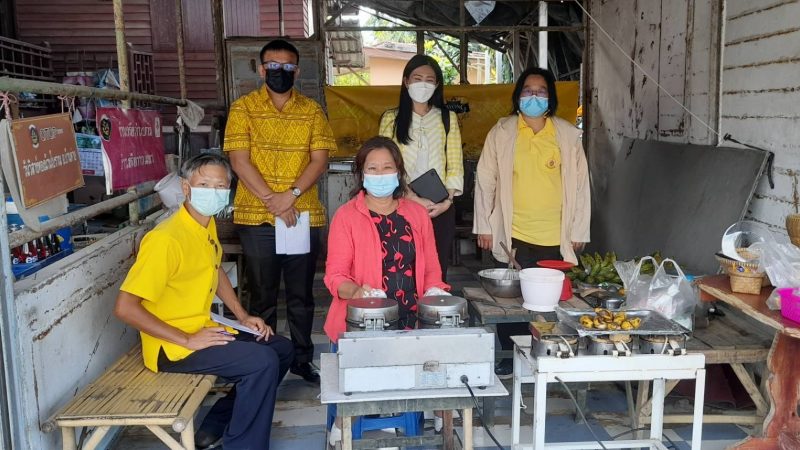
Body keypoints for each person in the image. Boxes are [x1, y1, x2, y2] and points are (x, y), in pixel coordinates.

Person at [114, 153, 294, 450]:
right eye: (204, 184)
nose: (213, 192)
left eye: (220, 186)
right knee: (260, 362)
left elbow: (215, 267)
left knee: (280, 348)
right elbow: (125, 308)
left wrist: (241, 315)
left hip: (203, 329)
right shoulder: (166, 239)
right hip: (172, 347)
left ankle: (215, 426)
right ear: (186, 188)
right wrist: (187, 339)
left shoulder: (203, 224)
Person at [323, 136, 451, 445]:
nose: (380, 174)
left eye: (387, 167)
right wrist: (358, 292)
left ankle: (439, 410)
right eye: (373, 168)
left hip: (412, 319)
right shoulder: (347, 216)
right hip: (361, 323)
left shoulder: (416, 214)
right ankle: (344, 420)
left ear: (399, 172)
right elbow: (335, 276)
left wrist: (436, 291)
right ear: (361, 173)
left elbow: (432, 268)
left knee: (444, 348)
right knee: (359, 372)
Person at [224, 39, 336, 384]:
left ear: (297, 72)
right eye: (273, 66)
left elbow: (319, 160)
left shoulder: (312, 111)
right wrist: (274, 200)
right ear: (262, 70)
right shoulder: (243, 108)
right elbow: (239, 161)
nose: (280, 72)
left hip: (301, 214)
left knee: (301, 295)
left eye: (287, 67)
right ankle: (265, 361)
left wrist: (291, 195)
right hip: (256, 217)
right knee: (263, 295)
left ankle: (302, 359)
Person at [473, 67, 590, 377]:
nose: (534, 96)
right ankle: (511, 358)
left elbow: (581, 186)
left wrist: (579, 228)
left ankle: (549, 355)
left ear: (550, 97)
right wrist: (484, 225)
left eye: (541, 91)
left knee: (550, 303)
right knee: (511, 302)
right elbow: (485, 179)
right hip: (513, 234)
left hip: (554, 236)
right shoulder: (502, 131)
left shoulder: (566, 134)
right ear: (518, 95)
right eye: (528, 90)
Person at [379, 54, 464, 280]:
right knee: (402, 266)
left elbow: (455, 164)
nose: (423, 84)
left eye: (429, 80)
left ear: (437, 85)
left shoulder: (447, 118)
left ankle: (434, 302)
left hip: (440, 207)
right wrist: (410, 197)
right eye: (417, 79)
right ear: (406, 81)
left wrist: (447, 202)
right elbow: (385, 165)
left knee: (437, 268)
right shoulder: (391, 118)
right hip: (400, 204)